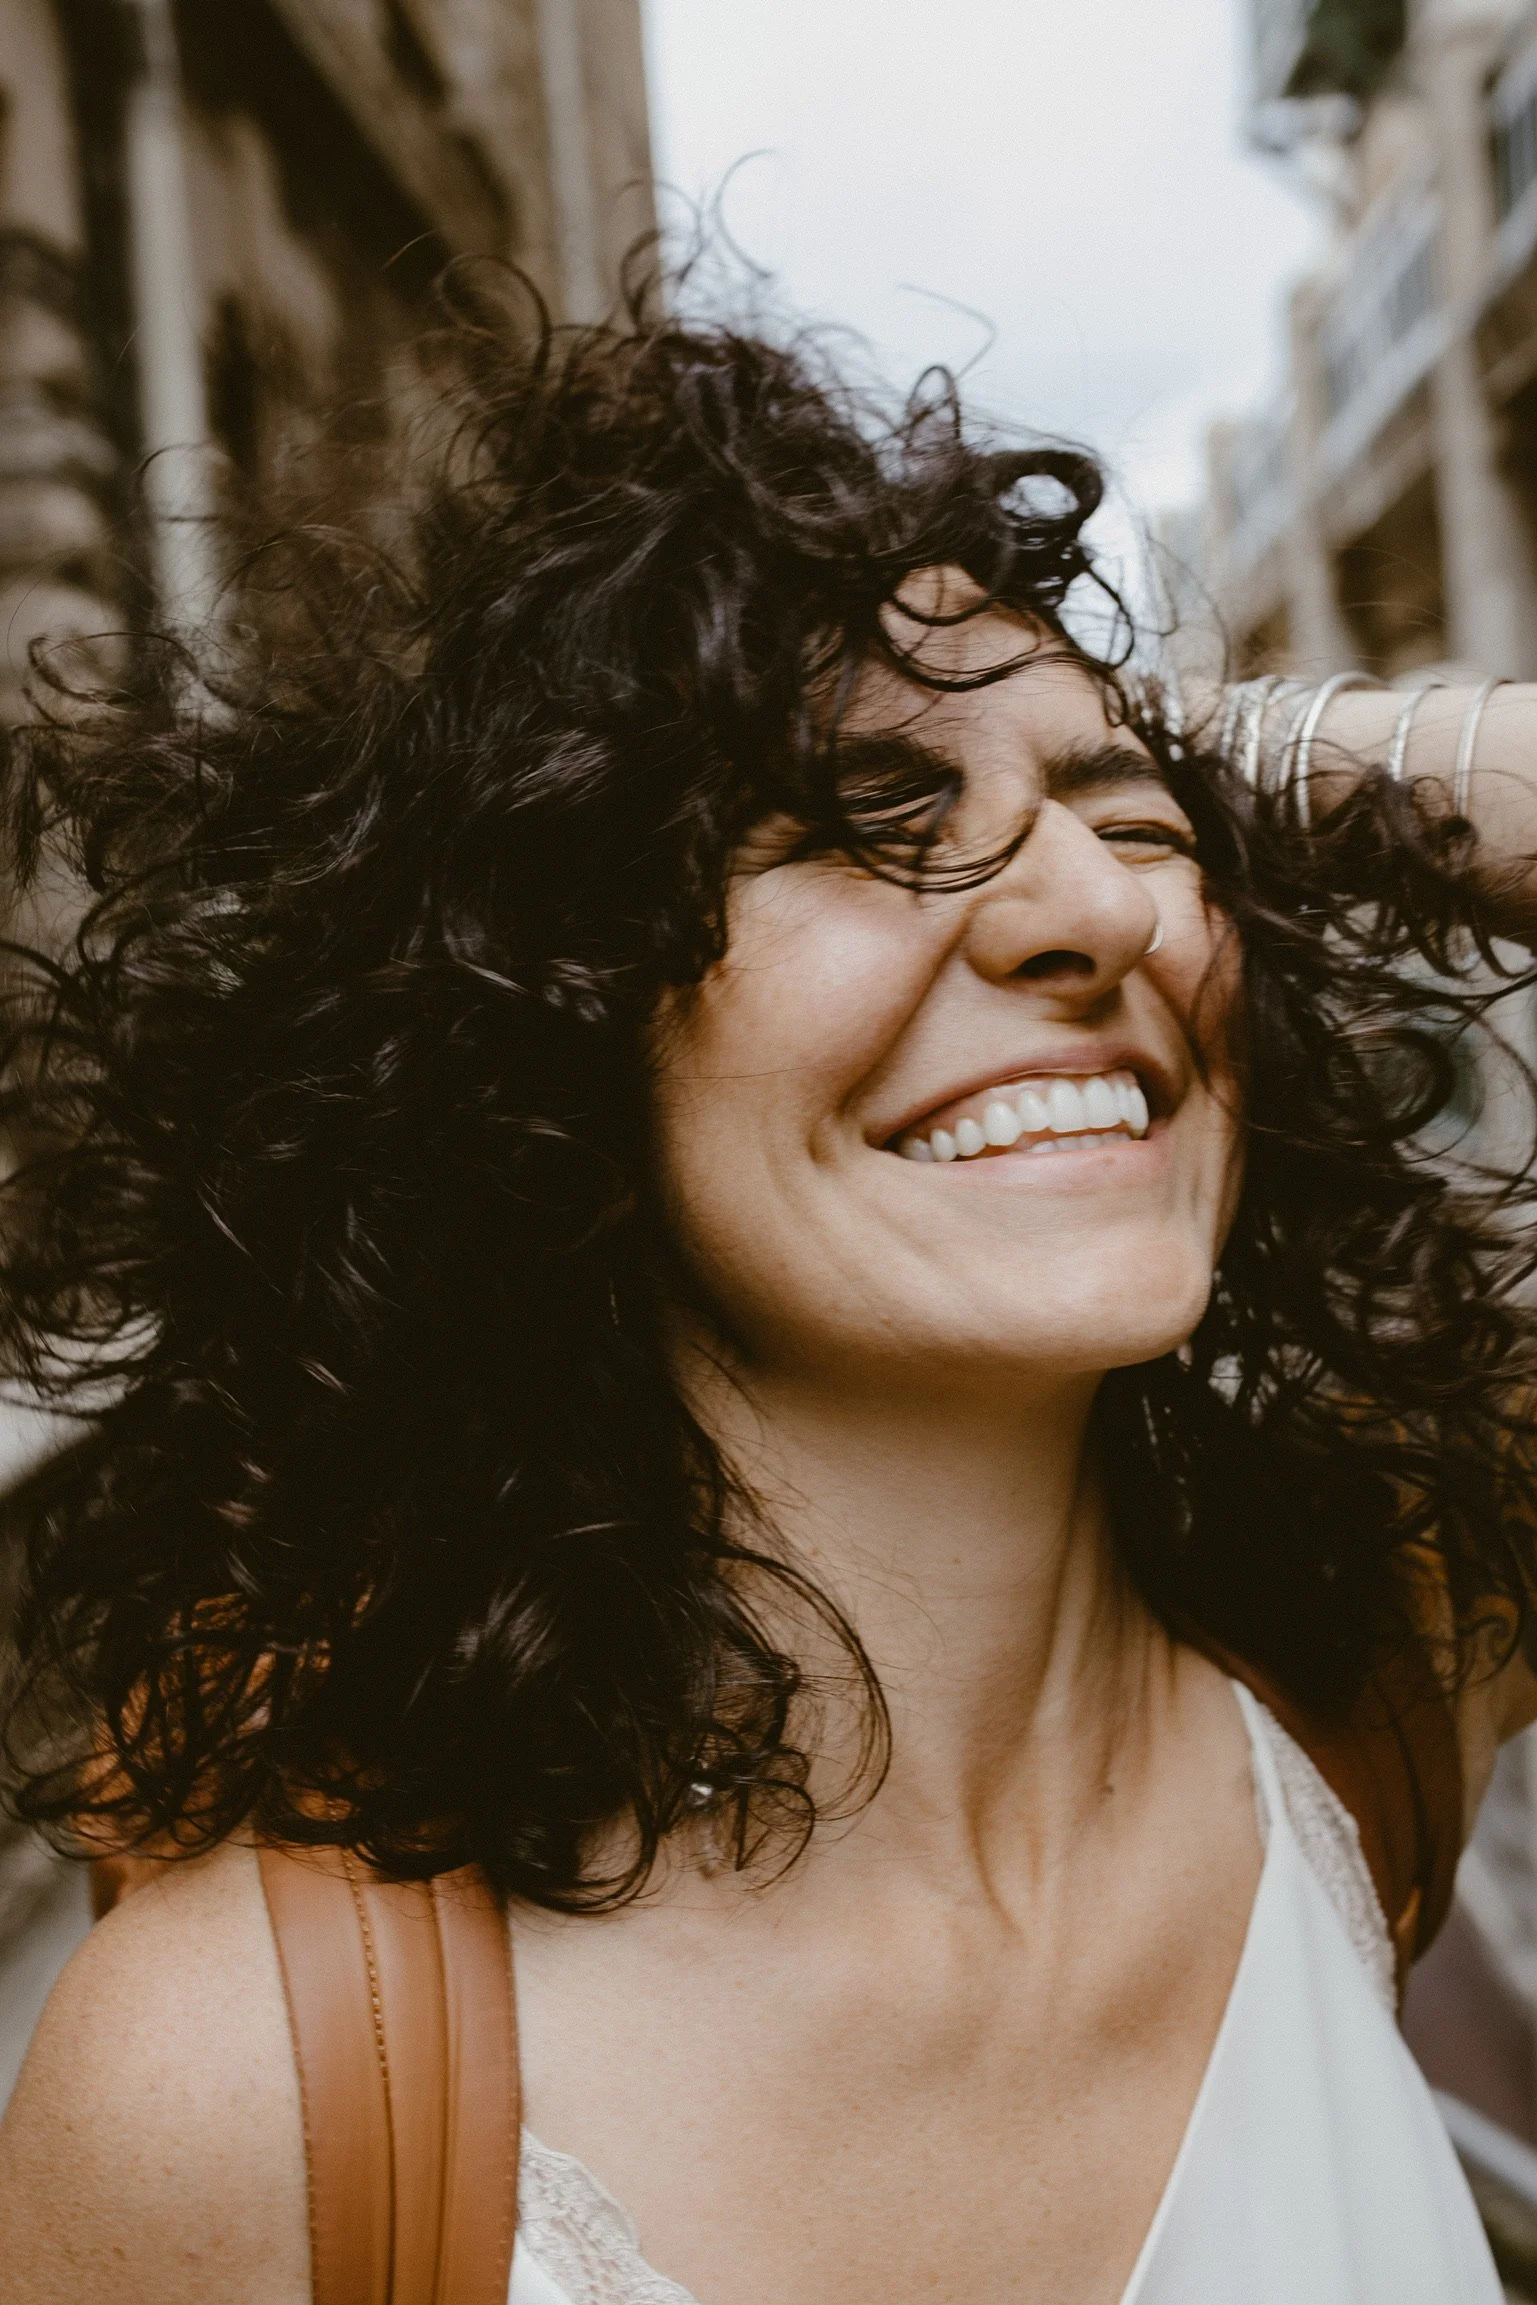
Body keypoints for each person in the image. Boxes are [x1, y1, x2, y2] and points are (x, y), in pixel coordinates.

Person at [0, 297, 1535, 2305]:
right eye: (870, 823)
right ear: (542, 1037)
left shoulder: (1375, 1675)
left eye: (1136, 831)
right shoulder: (238, 2091)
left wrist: (1227, 752)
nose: (1091, 908)